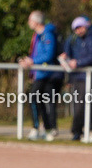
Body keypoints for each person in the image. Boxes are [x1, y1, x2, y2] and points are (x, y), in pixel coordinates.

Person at [59, 16, 92, 141]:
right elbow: (73, 54)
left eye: (80, 27)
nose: (78, 30)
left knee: (84, 104)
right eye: (76, 29)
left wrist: (78, 63)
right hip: (78, 77)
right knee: (88, 104)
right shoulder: (76, 39)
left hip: (89, 77)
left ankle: (77, 131)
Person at [18, 11, 62, 141]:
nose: (29, 23)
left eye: (30, 20)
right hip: (40, 73)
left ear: (36, 22)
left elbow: (48, 55)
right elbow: (37, 53)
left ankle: (38, 128)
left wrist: (32, 61)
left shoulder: (46, 34)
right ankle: (45, 128)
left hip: (47, 73)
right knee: (39, 100)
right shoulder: (37, 35)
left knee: (35, 97)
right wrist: (29, 60)